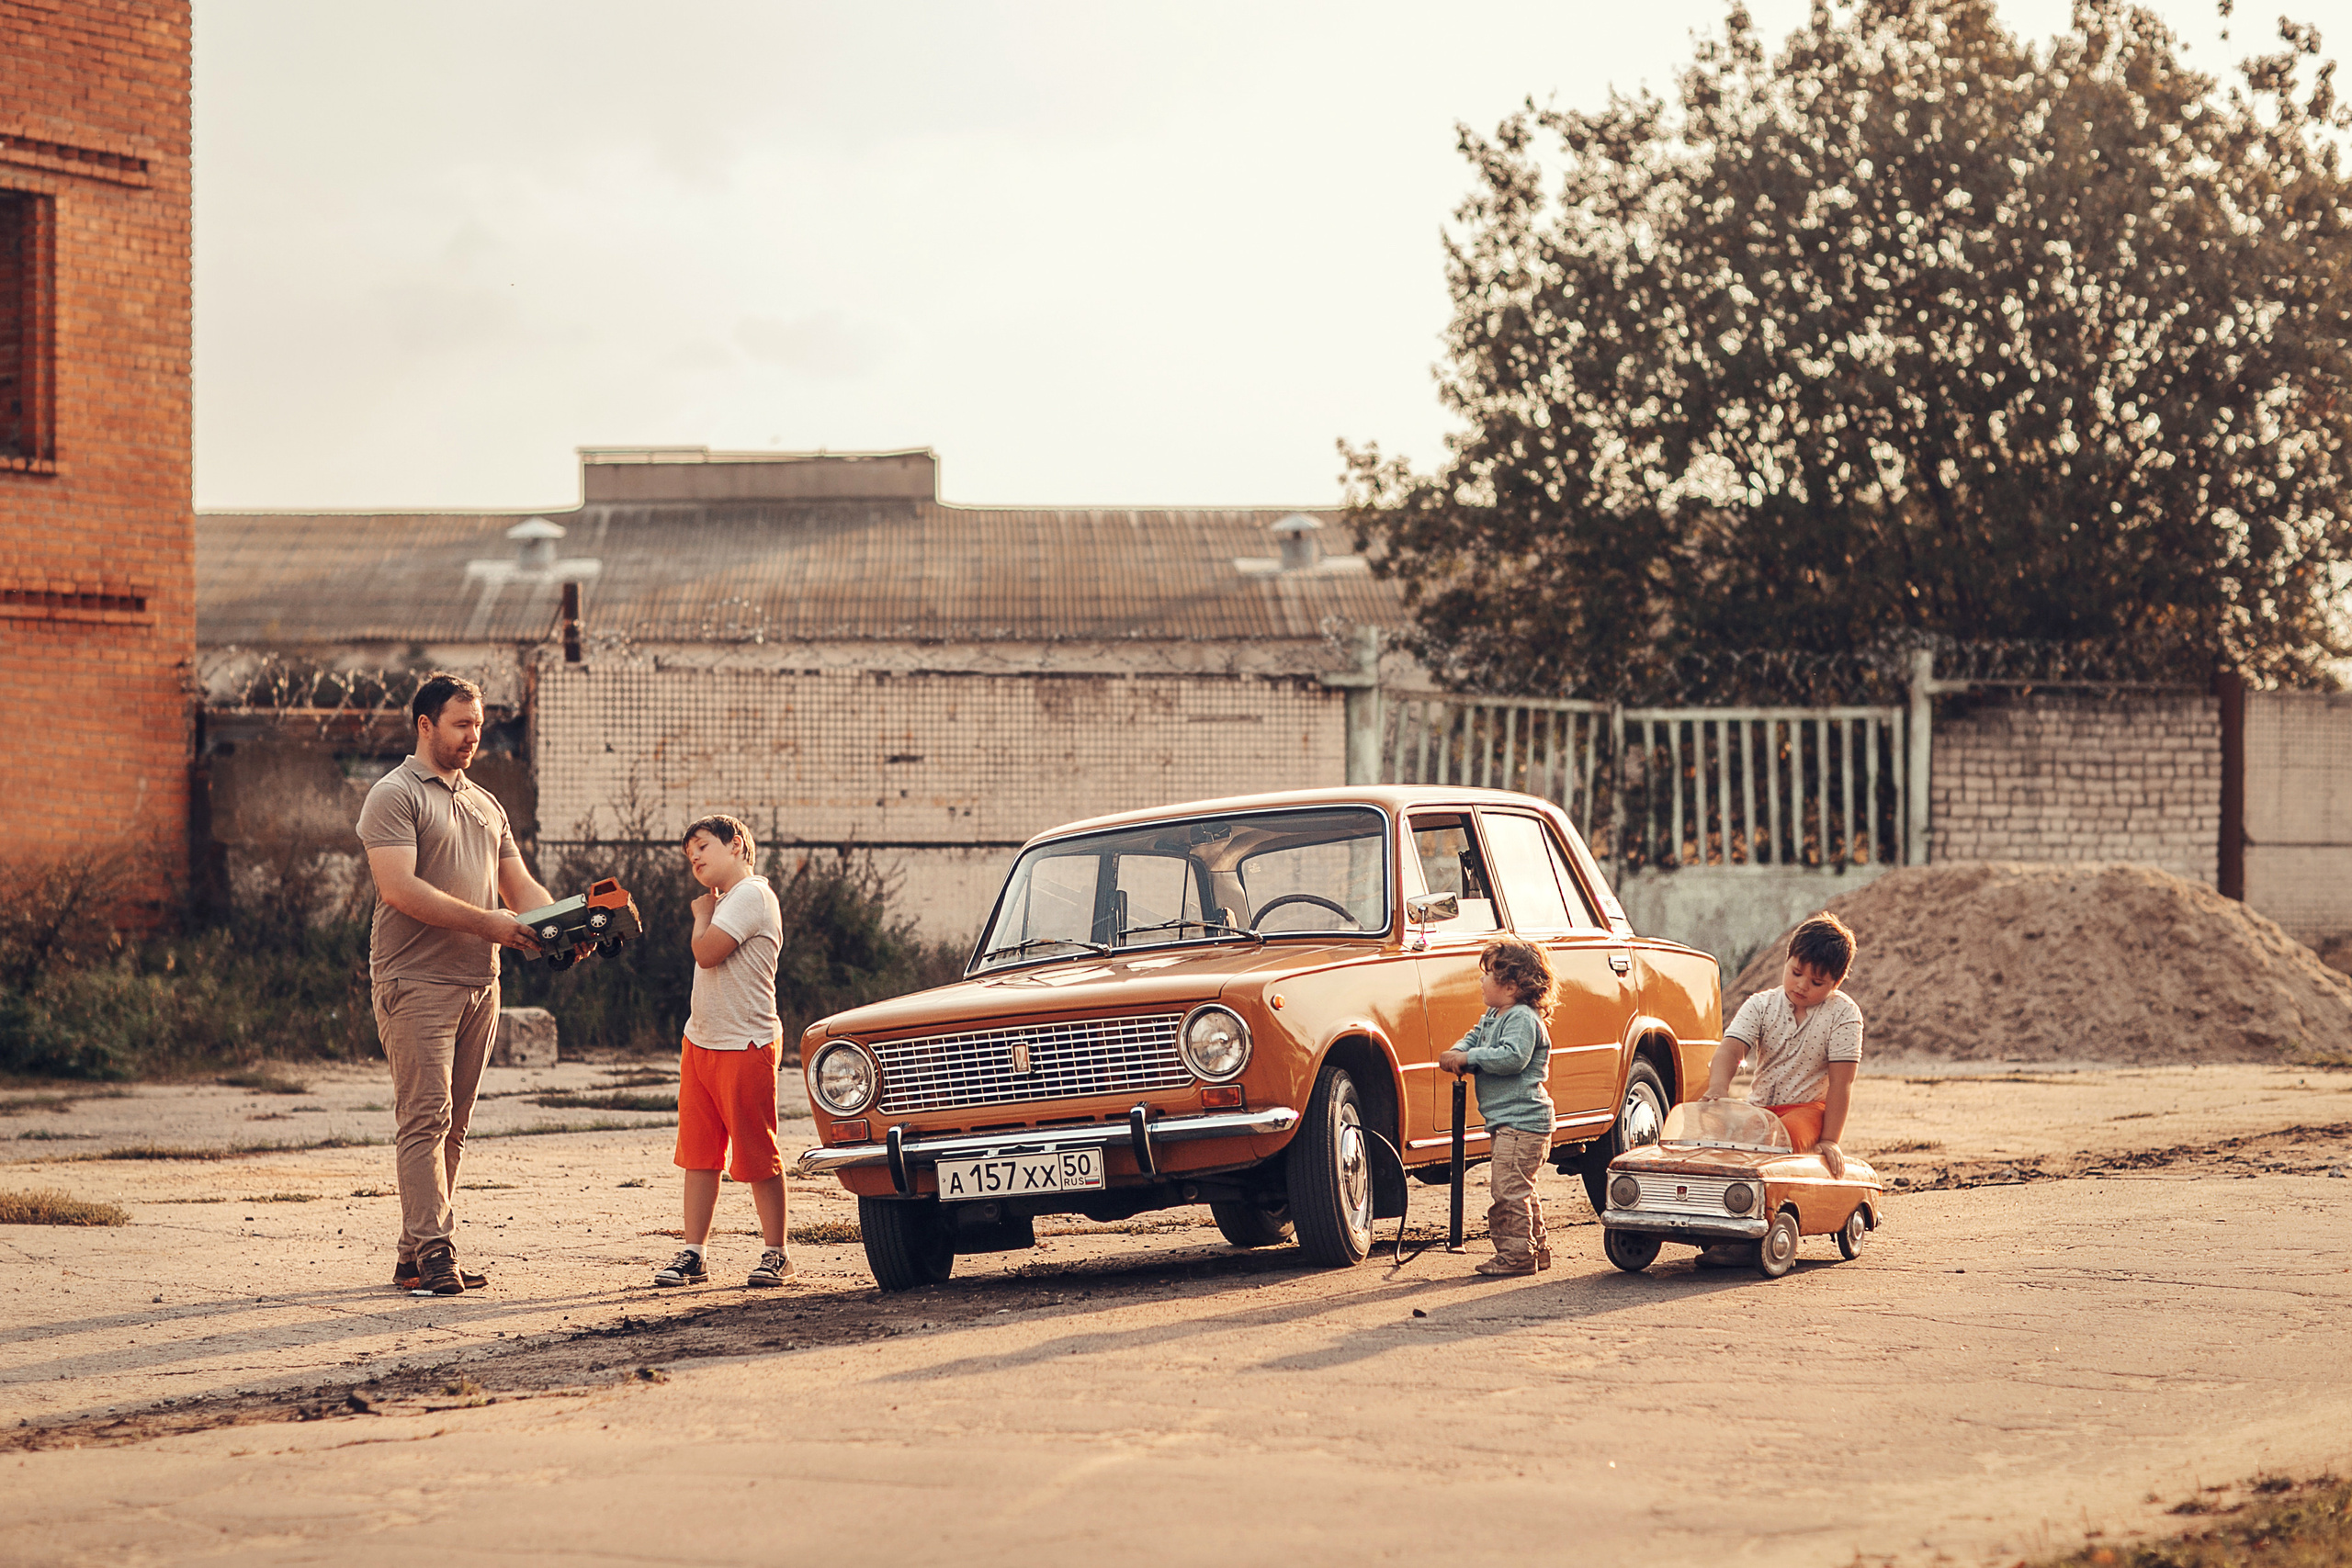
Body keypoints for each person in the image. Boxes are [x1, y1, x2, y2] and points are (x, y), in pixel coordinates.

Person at [358, 672, 565, 1297]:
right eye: (462, 724)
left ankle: (413, 1255)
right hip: (414, 977)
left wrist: (560, 926)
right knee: (426, 1117)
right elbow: (400, 888)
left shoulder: (485, 803)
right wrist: (492, 924)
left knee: (453, 1126)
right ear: (425, 724)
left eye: (480, 724)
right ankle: (437, 1252)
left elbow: (521, 888)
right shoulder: (394, 796)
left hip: (481, 980)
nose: (476, 735)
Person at [652, 814, 793, 1290]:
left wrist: (700, 917)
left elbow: (707, 952)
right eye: (689, 850)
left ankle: (777, 1253)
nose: (694, 856)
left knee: (756, 1153)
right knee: (699, 1154)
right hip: (703, 1042)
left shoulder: (752, 894)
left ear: (737, 846)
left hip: (745, 1043)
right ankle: (695, 1254)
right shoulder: (731, 900)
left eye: (704, 845)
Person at [1703, 912, 1864, 1179]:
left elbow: (1841, 1083)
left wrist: (1830, 1140)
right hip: (1760, 1108)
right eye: (1796, 973)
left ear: (1835, 983)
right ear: (1787, 960)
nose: (1801, 985)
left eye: (1816, 982)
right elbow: (1731, 1049)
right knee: (1716, 1133)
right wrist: (1718, 1088)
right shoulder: (1761, 1004)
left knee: (1778, 1137)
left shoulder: (1844, 1014)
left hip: (1808, 1110)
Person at [1436, 937, 1558, 1277]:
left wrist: (1469, 1058)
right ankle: (1536, 1249)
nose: (1481, 980)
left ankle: (1516, 1255)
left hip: (1523, 1122)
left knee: (1507, 1191)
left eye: (1488, 974)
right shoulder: (1495, 1014)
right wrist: (1458, 1052)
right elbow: (1474, 1037)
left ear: (1512, 984)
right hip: (1509, 1122)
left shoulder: (1521, 1018)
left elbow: (1512, 1058)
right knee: (1521, 1189)